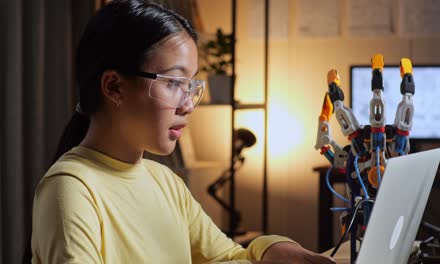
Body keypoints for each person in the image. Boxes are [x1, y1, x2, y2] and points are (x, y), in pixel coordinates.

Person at [30, 1, 335, 263]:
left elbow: (226, 257)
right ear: (114, 86)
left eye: (190, 85)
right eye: (174, 83)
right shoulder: (71, 189)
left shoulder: (166, 182)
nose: (188, 104)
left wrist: (269, 251)